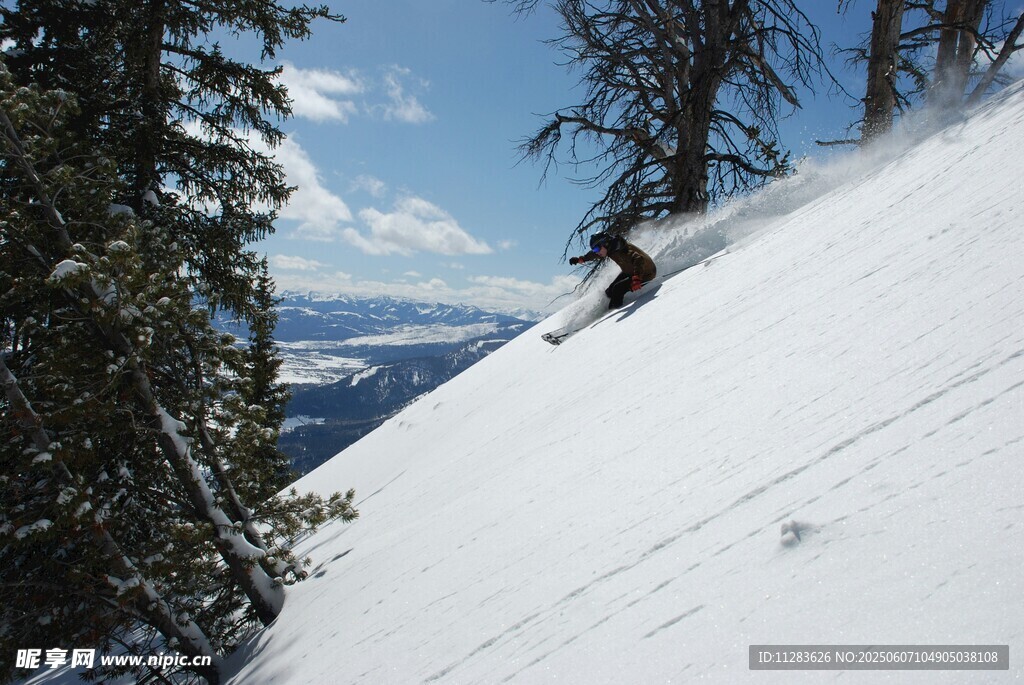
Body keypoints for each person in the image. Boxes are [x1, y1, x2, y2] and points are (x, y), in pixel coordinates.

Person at [569, 232, 657, 309]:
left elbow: (638, 259)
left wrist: (637, 278)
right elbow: (594, 255)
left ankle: (613, 313)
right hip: (630, 271)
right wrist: (582, 259)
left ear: (605, 243)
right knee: (609, 291)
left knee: (617, 289)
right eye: (594, 249)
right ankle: (616, 304)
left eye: (596, 249)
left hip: (646, 273)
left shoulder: (622, 249)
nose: (596, 252)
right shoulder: (610, 248)